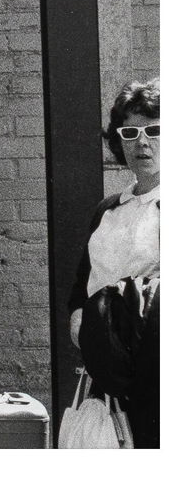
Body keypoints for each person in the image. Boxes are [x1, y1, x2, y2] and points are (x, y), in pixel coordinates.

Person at [67, 78, 159, 449]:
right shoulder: (108, 209)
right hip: (102, 364)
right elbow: (80, 286)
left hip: (155, 368)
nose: (142, 141)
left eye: (154, 130)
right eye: (131, 130)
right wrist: (81, 326)